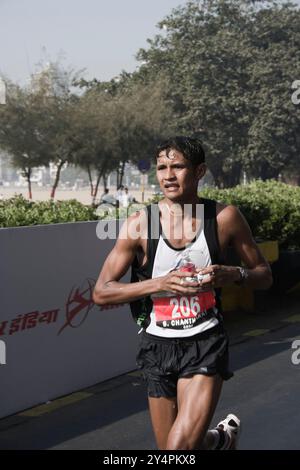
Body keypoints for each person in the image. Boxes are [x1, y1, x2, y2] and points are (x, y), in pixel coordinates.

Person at [93, 136, 273, 450]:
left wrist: (234, 274)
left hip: (204, 343)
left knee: (179, 450)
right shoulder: (140, 224)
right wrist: (158, 284)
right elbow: (101, 292)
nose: (168, 175)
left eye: (178, 166)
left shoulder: (224, 218)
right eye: (162, 167)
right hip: (156, 346)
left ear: (200, 171)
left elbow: (264, 276)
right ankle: (220, 441)